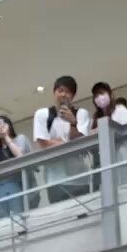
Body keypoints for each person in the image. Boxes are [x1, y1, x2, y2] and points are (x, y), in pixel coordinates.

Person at [33, 76, 91, 204]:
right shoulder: (42, 114)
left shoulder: (81, 113)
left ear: (73, 96)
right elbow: (43, 144)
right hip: (54, 180)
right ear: (54, 92)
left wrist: (73, 123)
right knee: (61, 214)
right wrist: (69, 144)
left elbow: (82, 145)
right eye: (60, 91)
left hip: (80, 178)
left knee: (85, 214)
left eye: (68, 92)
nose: (64, 94)